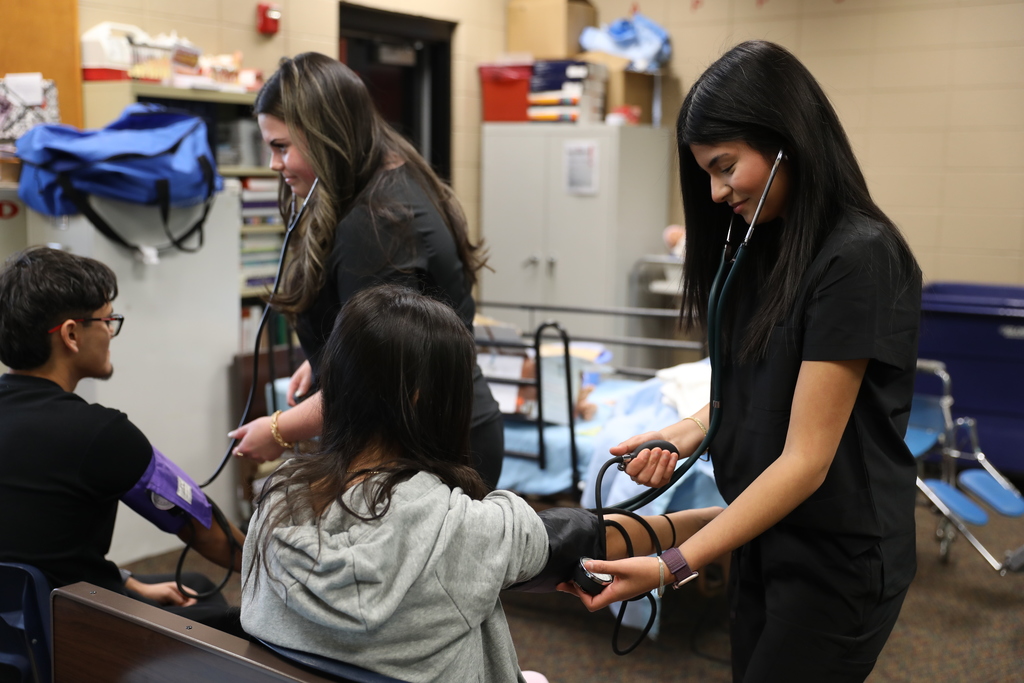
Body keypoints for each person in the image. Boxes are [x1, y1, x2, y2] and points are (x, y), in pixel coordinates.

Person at [559, 41, 922, 682]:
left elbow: (807, 461)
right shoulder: (761, 244)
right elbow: (758, 385)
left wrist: (674, 563)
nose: (717, 191)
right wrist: (687, 430)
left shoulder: (857, 258)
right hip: (763, 534)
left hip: (837, 553)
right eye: (705, 173)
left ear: (787, 140)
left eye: (726, 166)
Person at [241, 284, 722, 683]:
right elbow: (589, 536)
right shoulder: (465, 529)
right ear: (426, 399)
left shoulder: (276, 500)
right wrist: (724, 522)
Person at [229, 52, 505, 488]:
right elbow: (369, 336)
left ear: (326, 135)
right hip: (435, 433)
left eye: (282, 147)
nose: (273, 165)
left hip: (432, 449)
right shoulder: (389, 178)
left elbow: (376, 383)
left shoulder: (376, 224)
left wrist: (280, 430)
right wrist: (323, 360)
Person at [0, 246, 246, 631]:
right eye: (107, 320)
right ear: (70, 334)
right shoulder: (101, 433)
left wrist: (128, 582)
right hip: (75, 633)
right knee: (242, 624)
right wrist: (282, 571)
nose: (111, 332)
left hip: (16, 625)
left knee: (193, 584)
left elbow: (33, 541)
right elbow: (202, 527)